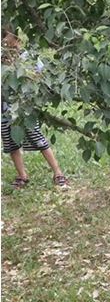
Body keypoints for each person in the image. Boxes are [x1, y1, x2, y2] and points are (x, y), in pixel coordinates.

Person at [2, 27, 69, 190]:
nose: (3, 42)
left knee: (36, 137)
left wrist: (25, 72)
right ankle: (22, 175)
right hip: (4, 109)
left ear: (18, 40)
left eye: (6, 38)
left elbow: (42, 77)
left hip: (25, 108)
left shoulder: (28, 57)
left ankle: (58, 172)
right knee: (11, 141)